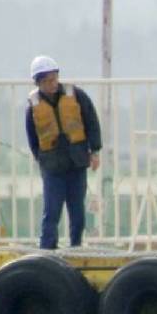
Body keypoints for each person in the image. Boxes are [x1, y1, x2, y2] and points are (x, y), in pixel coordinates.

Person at [24, 55, 102, 249]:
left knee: (77, 210)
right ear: (38, 83)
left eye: (54, 79)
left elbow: (91, 121)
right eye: (46, 81)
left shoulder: (76, 95)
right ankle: (47, 247)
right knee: (52, 210)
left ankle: (76, 245)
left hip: (76, 161)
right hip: (52, 165)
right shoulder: (33, 106)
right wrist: (40, 158)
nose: (52, 84)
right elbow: (33, 137)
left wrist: (95, 151)